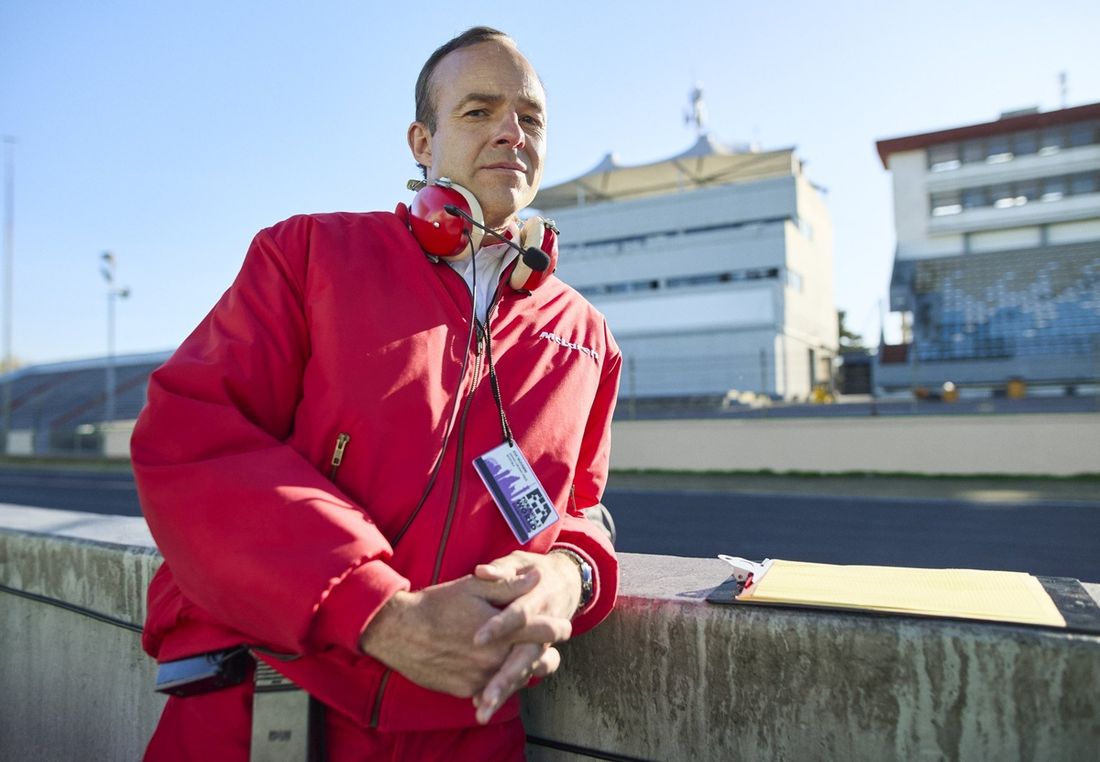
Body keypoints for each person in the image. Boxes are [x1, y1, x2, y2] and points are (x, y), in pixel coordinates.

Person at [132, 25, 622, 761]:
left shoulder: (586, 336)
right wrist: (379, 612)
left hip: (469, 726)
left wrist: (570, 574)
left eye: (530, 117)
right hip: (273, 708)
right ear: (421, 142)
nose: (510, 132)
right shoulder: (309, 256)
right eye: (479, 111)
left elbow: (583, 512)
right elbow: (191, 434)